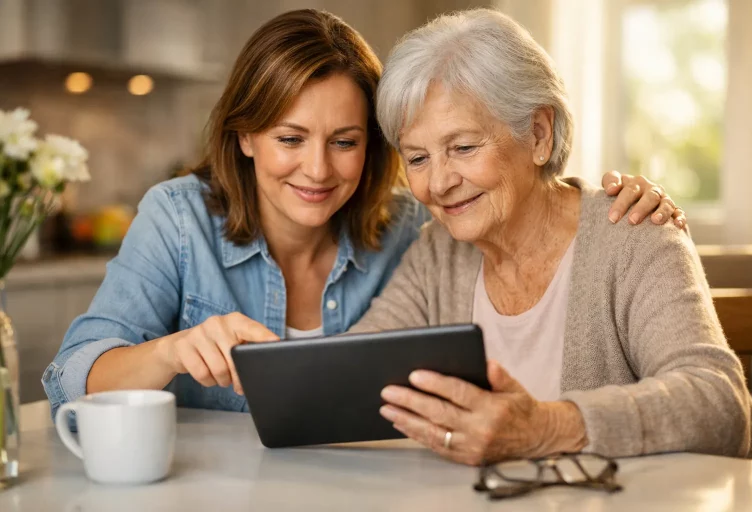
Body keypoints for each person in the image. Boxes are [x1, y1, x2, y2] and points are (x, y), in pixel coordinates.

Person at [42, 9, 682, 417]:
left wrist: (602, 202)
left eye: (345, 142)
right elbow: (69, 376)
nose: (318, 170)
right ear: (244, 136)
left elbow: (515, 204)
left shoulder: (414, 228)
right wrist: (173, 351)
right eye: (290, 139)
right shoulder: (180, 220)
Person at [344, 8, 752, 463]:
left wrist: (547, 427)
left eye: (463, 148)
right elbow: (350, 376)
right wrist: (267, 370)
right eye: (417, 158)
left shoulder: (632, 234)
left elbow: (717, 404)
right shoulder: (437, 253)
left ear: (539, 134)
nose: (438, 182)